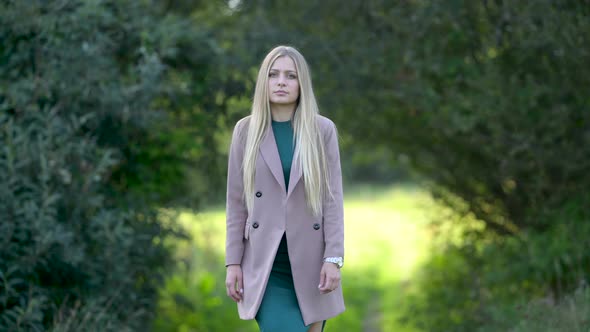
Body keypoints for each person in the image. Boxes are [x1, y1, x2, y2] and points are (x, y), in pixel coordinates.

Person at [224, 45, 345, 332]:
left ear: (302, 84)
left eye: (290, 76)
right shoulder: (245, 131)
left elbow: (332, 199)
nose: (281, 82)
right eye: (274, 74)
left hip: (311, 264)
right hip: (265, 267)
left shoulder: (322, 130)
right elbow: (236, 201)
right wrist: (232, 263)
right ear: (263, 82)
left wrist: (333, 258)